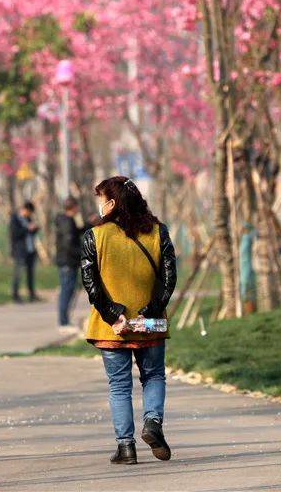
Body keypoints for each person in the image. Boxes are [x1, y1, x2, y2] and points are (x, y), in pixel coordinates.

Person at [80, 176, 177, 465]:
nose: (98, 205)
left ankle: (126, 447)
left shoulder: (94, 237)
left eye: (100, 199)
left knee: (119, 386)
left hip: (112, 328)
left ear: (111, 203)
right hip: (150, 324)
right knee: (154, 376)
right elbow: (170, 278)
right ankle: (153, 422)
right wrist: (151, 309)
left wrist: (113, 315)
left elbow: (90, 282)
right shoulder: (158, 232)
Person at [54, 196, 85, 333]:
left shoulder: (69, 221)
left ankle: (65, 320)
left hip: (70, 262)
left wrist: (88, 224)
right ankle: (63, 322)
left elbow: (78, 231)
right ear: (74, 207)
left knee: (69, 290)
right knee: (66, 291)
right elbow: (68, 244)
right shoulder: (66, 222)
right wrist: (83, 253)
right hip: (67, 262)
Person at [8, 201, 40, 302]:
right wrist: (27, 228)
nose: (30, 214)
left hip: (30, 250)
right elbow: (15, 234)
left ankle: (31, 294)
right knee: (18, 274)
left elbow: (31, 232)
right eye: (29, 212)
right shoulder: (15, 219)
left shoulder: (28, 219)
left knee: (30, 273)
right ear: (24, 209)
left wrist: (35, 229)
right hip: (20, 251)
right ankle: (15, 295)